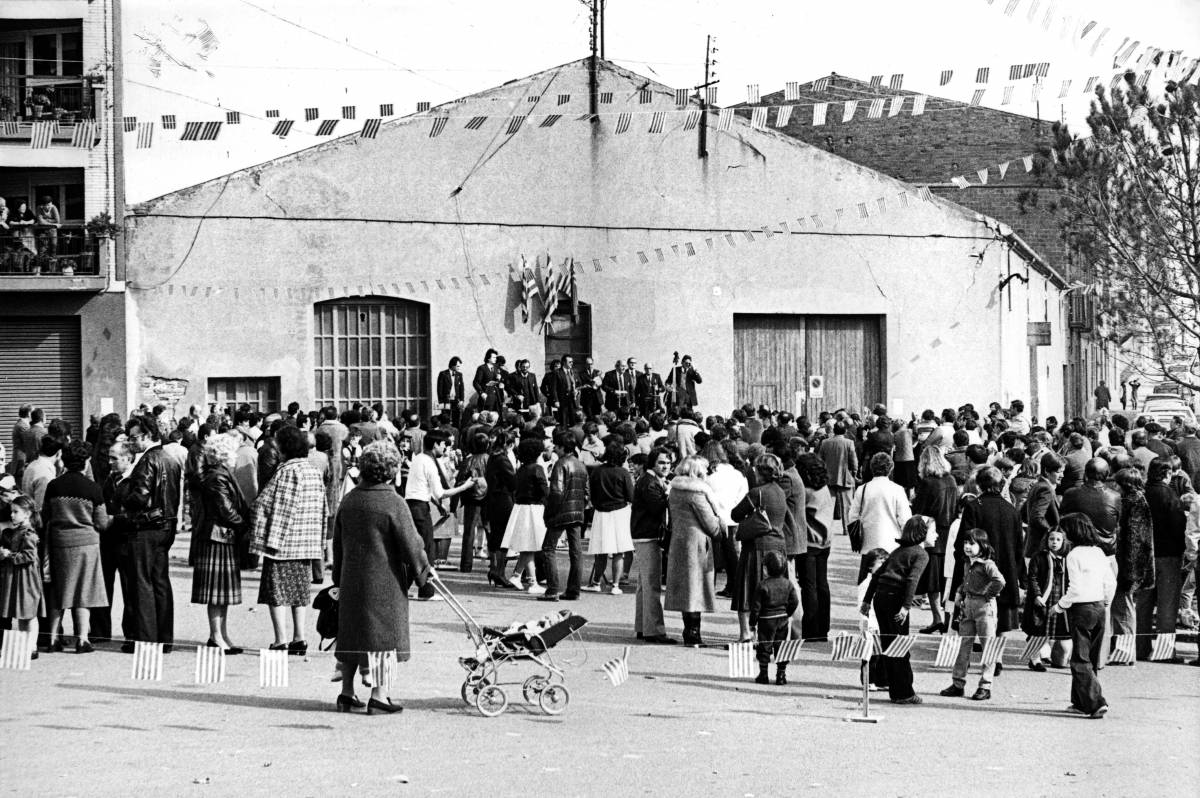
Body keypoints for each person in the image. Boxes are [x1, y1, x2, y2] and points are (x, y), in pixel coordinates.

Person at [331, 441, 432, 715]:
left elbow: (337, 543)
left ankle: (347, 693)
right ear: (391, 471)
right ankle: (380, 695)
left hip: (351, 578)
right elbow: (412, 544)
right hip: (385, 580)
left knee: (351, 634)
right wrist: (424, 575)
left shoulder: (350, 500)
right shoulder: (394, 502)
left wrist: (337, 578)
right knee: (384, 637)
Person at [249, 426, 326, 655]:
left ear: (284, 448)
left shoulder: (285, 472)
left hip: (282, 544)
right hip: (306, 544)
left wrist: (259, 531)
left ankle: (280, 639)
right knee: (299, 593)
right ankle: (299, 638)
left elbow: (267, 504)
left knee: (277, 593)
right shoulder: (313, 471)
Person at [119, 417, 182, 653]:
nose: (130, 441)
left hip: (146, 527)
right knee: (160, 582)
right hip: (167, 526)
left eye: (134, 437)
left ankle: (146, 639)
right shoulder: (170, 458)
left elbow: (140, 496)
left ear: (146, 435)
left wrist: (124, 496)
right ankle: (164, 639)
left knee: (142, 582)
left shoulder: (147, 460)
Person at [41, 441, 109, 653]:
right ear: (86, 461)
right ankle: (82, 639)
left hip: (59, 543)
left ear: (65, 461)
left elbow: (45, 516)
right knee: (83, 592)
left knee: (57, 591)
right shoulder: (93, 489)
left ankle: (52, 639)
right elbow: (102, 522)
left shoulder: (54, 486)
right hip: (86, 545)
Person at [1050, 514, 1117, 719]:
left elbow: (1076, 588)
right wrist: (1106, 601)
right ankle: (1080, 701)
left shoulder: (1073, 555)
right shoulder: (1098, 552)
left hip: (1081, 609)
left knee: (1080, 660)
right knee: (1092, 658)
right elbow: (1111, 581)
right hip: (1099, 606)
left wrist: (1059, 606)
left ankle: (1096, 702)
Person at [861, 515, 932, 705]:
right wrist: (906, 607)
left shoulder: (898, 551)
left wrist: (867, 601)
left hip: (881, 598)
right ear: (923, 534)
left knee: (889, 645)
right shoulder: (920, 554)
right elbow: (912, 580)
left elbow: (877, 575)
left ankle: (896, 689)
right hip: (896, 599)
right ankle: (903, 692)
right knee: (900, 646)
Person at [190, 433, 249, 654]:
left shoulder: (218, 474)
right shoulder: (217, 476)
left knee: (221, 593)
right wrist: (244, 525)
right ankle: (216, 636)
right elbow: (225, 509)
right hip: (217, 536)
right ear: (226, 454)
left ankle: (220, 635)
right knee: (217, 592)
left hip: (220, 535)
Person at [404, 430, 475, 599]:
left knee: (415, 549)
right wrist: (466, 486)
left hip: (413, 504)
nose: (445, 448)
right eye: (444, 445)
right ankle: (426, 591)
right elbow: (441, 492)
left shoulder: (419, 458)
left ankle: (405, 588)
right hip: (420, 508)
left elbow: (424, 488)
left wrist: (437, 505)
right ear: (435, 444)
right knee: (426, 549)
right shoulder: (429, 462)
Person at [939, 527, 1006, 701]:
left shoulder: (987, 564)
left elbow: (1000, 581)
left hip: (985, 608)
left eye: (972, 543)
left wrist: (987, 594)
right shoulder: (967, 562)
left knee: (988, 646)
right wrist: (961, 592)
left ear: (982, 545)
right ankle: (958, 683)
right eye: (965, 543)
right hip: (967, 605)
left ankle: (985, 685)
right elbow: (964, 581)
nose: (967, 546)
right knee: (963, 645)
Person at [664, 455, 724, 648]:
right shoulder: (697, 493)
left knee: (685, 587)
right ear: (697, 472)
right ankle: (693, 634)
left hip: (679, 540)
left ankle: (688, 630)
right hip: (696, 542)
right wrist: (720, 528)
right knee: (695, 588)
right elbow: (710, 523)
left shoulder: (675, 490)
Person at [729, 454, 789, 642]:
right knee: (772, 593)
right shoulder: (780, 491)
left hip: (757, 546)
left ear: (759, 471)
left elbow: (735, 514)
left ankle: (746, 634)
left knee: (747, 591)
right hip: (778, 545)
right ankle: (767, 635)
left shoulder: (758, 493)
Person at [959, 466, 1025, 633]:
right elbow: (1019, 547)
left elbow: (963, 541)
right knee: (1003, 622)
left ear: (979, 485)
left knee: (970, 624)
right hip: (1006, 570)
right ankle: (997, 657)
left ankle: (976, 656)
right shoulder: (1012, 510)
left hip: (978, 572)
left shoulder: (974, 507)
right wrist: (1020, 576)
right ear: (1001, 484)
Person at [1140, 458, 1187, 661]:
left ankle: (1139, 646)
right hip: (1168, 555)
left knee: (1143, 603)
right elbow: (1178, 526)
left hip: (1144, 555)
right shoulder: (1170, 495)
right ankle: (1164, 650)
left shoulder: (1142, 493)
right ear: (1167, 474)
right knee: (1167, 605)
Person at [911, 444, 957, 634]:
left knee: (932, 581)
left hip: (932, 532)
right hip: (949, 532)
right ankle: (944, 618)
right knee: (946, 579)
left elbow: (919, 511)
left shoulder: (928, 483)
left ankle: (938, 618)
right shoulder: (951, 480)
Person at [847, 453, 912, 581]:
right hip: (892, 545)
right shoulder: (897, 489)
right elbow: (905, 519)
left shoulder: (862, 489)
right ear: (891, 468)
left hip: (868, 544)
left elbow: (852, 516)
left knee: (865, 585)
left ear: (871, 468)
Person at [631, 447, 673, 643]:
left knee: (644, 585)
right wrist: (669, 495)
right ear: (653, 463)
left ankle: (643, 626)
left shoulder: (649, 480)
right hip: (648, 536)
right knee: (651, 584)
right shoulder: (650, 483)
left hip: (644, 535)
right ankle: (654, 630)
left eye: (668, 463)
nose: (665, 466)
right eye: (662, 462)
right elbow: (658, 508)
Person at [542, 430, 589, 601]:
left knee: (548, 548)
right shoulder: (580, 464)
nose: (554, 448)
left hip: (561, 512)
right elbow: (586, 492)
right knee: (576, 551)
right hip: (577, 511)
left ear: (562, 447)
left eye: (556, 445)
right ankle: (573, 589)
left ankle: (552, 588)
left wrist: (549, 512)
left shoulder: (560, 464)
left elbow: (556, 492)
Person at [584, 441, 635, 594]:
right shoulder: (623, 473)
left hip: (601, 513)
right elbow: (631, 496)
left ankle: (595, 582)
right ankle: (615, 585)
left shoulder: (597, 472)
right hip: (620, 513)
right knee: (619, 551)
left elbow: (592, 494)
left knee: (601, 551)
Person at [501, 438, 549, 594]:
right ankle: (532, 582)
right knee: (530, 546)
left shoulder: (521, 469)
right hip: (534, 509)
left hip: (520, 508)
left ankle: (517, 575)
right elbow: (544, 490)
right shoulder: (538, 469)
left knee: (526, 545)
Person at [1023, 528, 1073, 671]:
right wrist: (1037, 595)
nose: (1054, 542)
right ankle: (1034, 659)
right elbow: (1032, 577)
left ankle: (1059, 658)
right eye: (1051, 539)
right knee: (1038, 630)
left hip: (1059, 600)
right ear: (1046, 540)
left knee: (1057, 632)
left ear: (1063, 541)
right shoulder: (1039, 557)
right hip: (1042, 600)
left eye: (1058, 539)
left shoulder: (1066, 559)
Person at [0, 495, 43, 661]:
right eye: (11, 511)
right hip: (20, 577)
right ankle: (27, 645)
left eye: (16, 512)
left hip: (27, 578)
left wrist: (9, 555)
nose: (12, 515)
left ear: (27, 514)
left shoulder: (28, 533)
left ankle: (32, 646)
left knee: (29, 614)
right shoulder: (19, 531)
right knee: (24, 614)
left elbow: (29, 556)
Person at [796, 452, 833, 641]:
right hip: (824, 541)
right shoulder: (824, 488)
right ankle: (822, 628)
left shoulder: (805, 491)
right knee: (822, 585)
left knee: (809, 587)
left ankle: (810, 627)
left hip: (809, 542)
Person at [750, 550, 800, 685]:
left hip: (766, 620)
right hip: (782, 619)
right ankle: (781, 674)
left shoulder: (762, 585)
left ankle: (764, 674)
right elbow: (794, 601)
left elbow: (756, 607)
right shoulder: (788, 584)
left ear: (766, 569)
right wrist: (787, 613)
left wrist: (752, 623)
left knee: (764, 647)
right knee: (781, 646)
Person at [483, 432, 517, 588]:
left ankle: (495, 569)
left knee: (496, 536)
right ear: (509, 445)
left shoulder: (492, 457)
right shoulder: (503, 459)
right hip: (503, 499)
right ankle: (499, 572)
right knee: (503, 538)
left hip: (492, 499)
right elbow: (512, 482)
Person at [818, 421, 858, 534]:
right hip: (845, 477)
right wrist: (854, 473)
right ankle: (846, 529)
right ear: (845, 431)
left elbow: (820, 459)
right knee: (847, 506)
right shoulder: (849, 443)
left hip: (829, 478)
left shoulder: (825, 442)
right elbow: (853, 461)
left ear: (834, 430)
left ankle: (827, 529)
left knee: (828, 506)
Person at [1023, 452, 1063, 558]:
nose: (1062, 475)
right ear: (1047, 471)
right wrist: (1051, 532)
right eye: (1059, 472)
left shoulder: (1037, 485)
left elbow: (1024, 513)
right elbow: (1036, 517)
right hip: (1040, 548)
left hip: (1032, 546)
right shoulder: (1046, 489)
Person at [551, 355, 580, 428]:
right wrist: (556, 400)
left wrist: (577, 391)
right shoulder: (557, 372)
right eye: (570, 362)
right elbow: (553, 388)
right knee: (563, 421)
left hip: (572, 400)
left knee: (573, 421)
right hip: (562, 401)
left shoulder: (573, 372)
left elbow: (577, 384)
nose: (572, 363)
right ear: (564, 362)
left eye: (572, 362)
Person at [436, 357, 466, 427]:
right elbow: (439, 389)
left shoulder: (459, 375)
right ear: (452, 366)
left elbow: (461, 388)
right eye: (457, 366)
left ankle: (456, 432)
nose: (459, 368)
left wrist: (462, 400)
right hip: (446, 400)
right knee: (445, 418)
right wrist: (441, 402)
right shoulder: (443, 374)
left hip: (456, 400)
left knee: (457, 418)